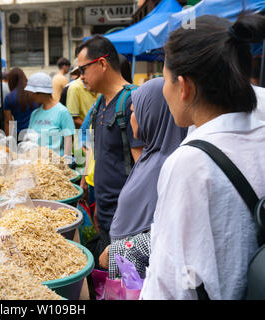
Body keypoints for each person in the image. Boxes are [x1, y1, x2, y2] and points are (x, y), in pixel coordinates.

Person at [140, 14, 265, 300]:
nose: (163, 88)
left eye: (165, 78)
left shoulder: (190, 163)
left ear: (184, 87)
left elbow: (171, 282)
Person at [98, 77, 187, 279]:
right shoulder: (152, 155)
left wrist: (119, 251)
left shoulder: (168, 166)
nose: (131, 119)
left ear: (151, 114)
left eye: (134, 112)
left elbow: (165, 236)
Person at [76, 35, 145, 268]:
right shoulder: (99, 105)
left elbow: (143, 167)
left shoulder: (132, 102)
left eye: (83, 69)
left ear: (102, 64)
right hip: (104, 212)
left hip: (127, 219)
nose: (81, 76)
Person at [25, 72, 75, 157]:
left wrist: (65, 164)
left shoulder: (62, 112)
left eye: (31, 93)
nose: (30, 96)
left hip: (55, 166)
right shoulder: (34, 114)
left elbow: (68, 141)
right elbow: (29, 140)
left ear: (40, 92)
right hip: (35, 164)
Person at [3, 68, 38, 137]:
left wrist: (8, 141)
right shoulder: (33, 94)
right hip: (35, 133)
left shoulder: (9, 98)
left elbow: (8, 122)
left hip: (18, 135)